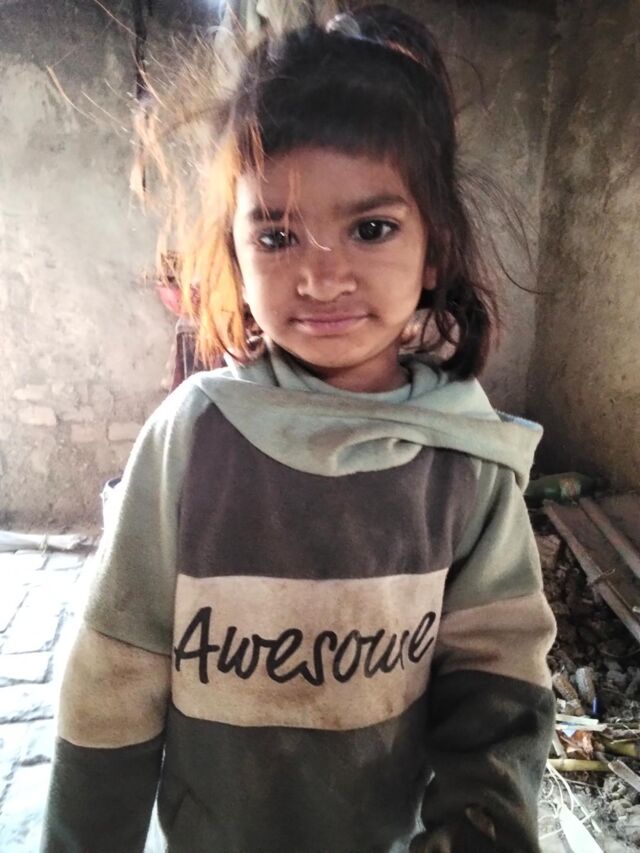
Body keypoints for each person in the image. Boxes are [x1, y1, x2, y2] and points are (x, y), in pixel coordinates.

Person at [41, 6, 556, 852]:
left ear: (434, 250)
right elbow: (115, 671)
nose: (320, 275)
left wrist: (481, 822)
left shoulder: (467, 460)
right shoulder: (195, 437)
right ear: (234, 255)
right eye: (277, 234)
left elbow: (496, 676)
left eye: (371, 228)